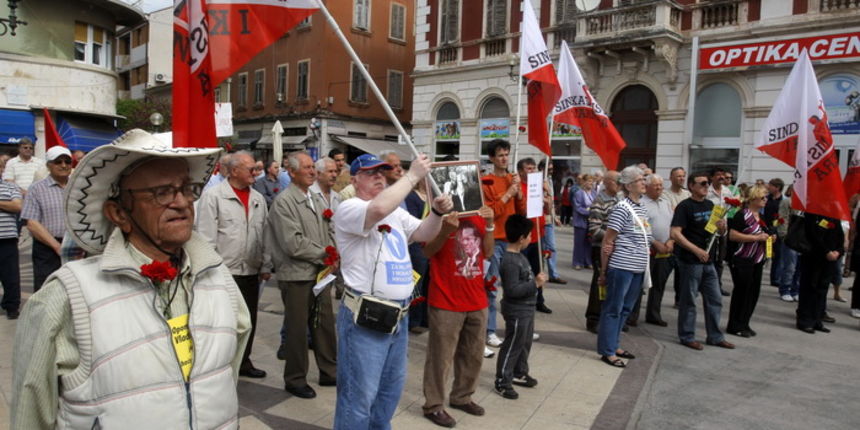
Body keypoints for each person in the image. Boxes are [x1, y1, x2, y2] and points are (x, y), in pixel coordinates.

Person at [11, 129, 251, 429]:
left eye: (186, 188)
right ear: (119, 213)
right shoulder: (67, 296)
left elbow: (224, 380)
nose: (181, 202)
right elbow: (29, 414)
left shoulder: (219, 280)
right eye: (162, 192)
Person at [332, 153, 452, 429]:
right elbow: (375, 211)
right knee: (358, 397)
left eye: (383, 172)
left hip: (398, 315)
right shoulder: (349, 207)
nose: (379, 176)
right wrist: (412, 176)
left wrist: (436, 212)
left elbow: (423, 233)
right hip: (365, 316)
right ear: (354, 180)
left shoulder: (395, 210)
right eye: (371, 172)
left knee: (388, 393)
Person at [267, 151, 338, 399]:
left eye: (312, 168)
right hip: (296, 275)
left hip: (320, 273)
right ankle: (295, 378)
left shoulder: (315, 199)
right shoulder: (284, 202)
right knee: (297, 330)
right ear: (292, 172)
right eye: (307, 168)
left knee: (324, 324)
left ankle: (329, 371)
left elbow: (328, 229)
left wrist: (332, 254)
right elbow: (293, 244)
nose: (312, 172)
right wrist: (325, 254)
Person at [196, 151, 271, 379]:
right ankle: (221, 364)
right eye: (251, 169)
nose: (255, 173)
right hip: (224, 272)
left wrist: (266, 265)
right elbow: (206, 238)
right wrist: (210, 272)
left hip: (250, 270)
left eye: (256, 169)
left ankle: (244, 360)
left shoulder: (258, 199)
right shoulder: (214, 197)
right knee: (223, 322)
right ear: (234, 170)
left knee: (248, 319)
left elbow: (265, 235)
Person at [421, 207, 494, 427]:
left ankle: (462, 396)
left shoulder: (479, 214)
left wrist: (490, 225)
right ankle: (433, 405)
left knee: (473, 355)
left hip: (476, 298)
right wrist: (444, 231)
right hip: (446, 300)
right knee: (440, 357)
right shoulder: (437, 216)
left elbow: (488, 252)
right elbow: (427, 252)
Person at [671, 172, 734, 351]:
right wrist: (696, 250)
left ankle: (715, 336)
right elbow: (675, 233)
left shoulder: (710, 205)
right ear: (691, 186)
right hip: (691, 261)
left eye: (708, 184)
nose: (706, 186)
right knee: (689, 299)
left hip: (709, 261)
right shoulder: (685, 206)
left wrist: (722, 229)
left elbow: (717, 233)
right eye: (702, 183)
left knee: (715, 299)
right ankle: (687, 335)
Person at [597, 166, 651, 367]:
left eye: (644, 179)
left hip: (638, 267)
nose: (644, 182)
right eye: (640, 180)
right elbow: (608, 241)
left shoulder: (642, 207)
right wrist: (603, 271)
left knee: (626, 308)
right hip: (622, 266)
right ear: (628, 185)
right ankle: (607, 350)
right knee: (614, 308)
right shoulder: (621, 208)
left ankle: (615, 343)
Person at [494, 214, 546, 400]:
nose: (531, 239)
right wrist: (536, 284)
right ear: (521, 238)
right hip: (516, 310)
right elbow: (512, 289)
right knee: (513, 344)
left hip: (527, 308)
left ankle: (519, 371)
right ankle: (502, 379)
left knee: (524, 343)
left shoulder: (521, 257)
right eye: (529, 236)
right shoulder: (510, 261)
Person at [481, 140, 524, 348]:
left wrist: (520, 192)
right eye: (500, 155)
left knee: (513, 287)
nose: (504, 158)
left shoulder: (512, 178)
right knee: (492, 287)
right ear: (491, 158)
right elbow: (492, 213)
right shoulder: (486, 181)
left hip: (512, 241)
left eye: (506, 154)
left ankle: (514, 327)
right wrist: (508, 194)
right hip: (496, 240)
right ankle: (489, 331)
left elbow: (522, 210)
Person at [21, 146, 72, 291]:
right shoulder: (36, 189)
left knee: (75, 290)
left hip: (76, 248)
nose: (63, 165)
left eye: (67, 162)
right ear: (48, 165)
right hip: (47, 249)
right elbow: (32, 223)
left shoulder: (79, 187)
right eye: (58, 162)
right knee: (46, 289)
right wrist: (56, 246)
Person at [726, 185, 773, 338]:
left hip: (757, 259)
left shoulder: (762, 217)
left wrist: (770, 239)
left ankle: (745, 322)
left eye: (766, 197)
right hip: (744, 259)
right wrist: (755, 238)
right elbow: (733, 235)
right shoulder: (742, 215)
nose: (765, 200)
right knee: (742, 292)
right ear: (753, 199)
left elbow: (765, 233)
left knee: (753, 293)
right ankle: (735, 325)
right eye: (762, 197)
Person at [796, 211, 843, 334]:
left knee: (822, 289)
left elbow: (840, 237)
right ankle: (804, 320)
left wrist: (838, 251)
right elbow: (812, 235)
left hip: (830, 260)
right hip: (813, 257)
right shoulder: (812, 213)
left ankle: (817, 320)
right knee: (809, 287)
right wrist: (826, 251)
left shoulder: (834, 216)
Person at [585, 171, 620, 333]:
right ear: (607, 182)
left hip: (616, 249)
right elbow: (594, 229)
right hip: (601, 248)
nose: (619, 183)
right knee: (599, 284)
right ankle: (593, 319)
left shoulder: (619, 199)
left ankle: (609, 318)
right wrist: (613, 236)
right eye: (616, 181)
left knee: (613, 285)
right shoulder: (599, 202)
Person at [641, 174, 674, 327]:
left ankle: (654, 314)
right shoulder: (641, 203)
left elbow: (674, 224)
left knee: (659, 284)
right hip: (648, 250)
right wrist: (654, 242)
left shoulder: (666, 202)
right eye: (656, 185)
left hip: (665, 250)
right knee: (640, 285)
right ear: (647, 187)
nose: (660, 188)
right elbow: (640, 228)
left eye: (661, 185)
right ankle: (631, 316)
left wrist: (671, 240)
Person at [0, 157, 22, 319]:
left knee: (11, 276)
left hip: (7, 238)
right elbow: (10, 205)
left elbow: (17, 206)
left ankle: (12, 307)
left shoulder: (11, 187)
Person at [706, 167, 734, 297]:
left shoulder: (727, 191)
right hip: (709, 229)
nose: (721, 177)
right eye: (718, 175)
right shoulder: (707, 191)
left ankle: (718, 284)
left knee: (720, 259)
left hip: (723, 229)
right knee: (708, 257)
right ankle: (706, 284)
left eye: (723, 175)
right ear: (712, 177)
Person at [539, 160, 566, 285]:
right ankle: (543, 272)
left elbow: (551, 201)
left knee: (550, 247)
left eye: (552, 169)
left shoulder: (549, 181)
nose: (551, 172)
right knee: (545, 247)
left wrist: (555, 216)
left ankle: (552, 273)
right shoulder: (537, 180)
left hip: (549, 218)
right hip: (540, 218)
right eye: (549, 169)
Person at [778, 185, 800, 302]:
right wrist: (784, 235)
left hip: (802, 240)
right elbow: (783, 218)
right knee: (790, 266)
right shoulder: (787, 202)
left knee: (799, 267)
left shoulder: (807, 204)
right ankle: (785, 289)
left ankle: (795, 290)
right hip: (790, 238)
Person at [573, 174, 596, 269]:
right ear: (584, 182)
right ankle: (577, 262)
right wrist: (589, 212)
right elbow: (577, 207)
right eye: (588, 181)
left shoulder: (594, 193)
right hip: (580, 221)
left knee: (589, 242)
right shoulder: (579, 193)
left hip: (591, 222)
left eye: (591, 181)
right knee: (579, 243)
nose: (590, 183)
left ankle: (588, 261)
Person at [764, 178, 784, 286]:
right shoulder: (766, 199)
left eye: (770, 185)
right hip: (766, 229)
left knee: (777, 255)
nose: (768, 187)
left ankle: (775, 278)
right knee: (767, 253)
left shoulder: (783, 200)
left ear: (777, 187)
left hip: (777, 230)